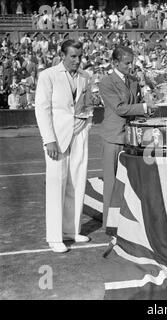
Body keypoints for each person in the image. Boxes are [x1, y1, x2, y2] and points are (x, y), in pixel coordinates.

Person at [35, 40, 93, 253]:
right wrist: (48, 139)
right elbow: (42, 109)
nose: (77, 61)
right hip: (56, 139)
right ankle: (54, 236)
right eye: (73, 57)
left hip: (79, 135)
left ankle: (71, 230)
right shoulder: (48, 75)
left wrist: (86, 126)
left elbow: (87, 105)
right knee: (55, 184)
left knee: (77, 182)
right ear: (62, 55)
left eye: (79, 56)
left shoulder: (86, 76)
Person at [98, 46, 158, 229]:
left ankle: (128, 222)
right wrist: (145, 107)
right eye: (127, 63)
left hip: (131, 137)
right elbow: (120, 108)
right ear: (115, 63)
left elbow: (137, 106)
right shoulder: (105, 82)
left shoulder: (133, 80)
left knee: (131, 181)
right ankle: (110, 224)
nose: (131, 66)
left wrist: (150, 108)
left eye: (132, 62)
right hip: (113, 138)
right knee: (111, 182)